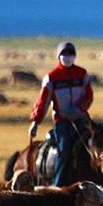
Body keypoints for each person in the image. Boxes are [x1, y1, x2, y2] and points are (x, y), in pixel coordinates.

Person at [28, 41, 94, 187]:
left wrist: (78, 109)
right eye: (64, 54)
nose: (67, 57)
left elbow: (88, 96)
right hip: (62, 121)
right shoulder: (52, 77)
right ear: (59, 56)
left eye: (70, 54)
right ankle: (58, 185)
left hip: (81, 119)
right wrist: (35, 122)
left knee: (97, 145)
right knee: (64, 149)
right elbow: (42, 102)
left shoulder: (82, 74)